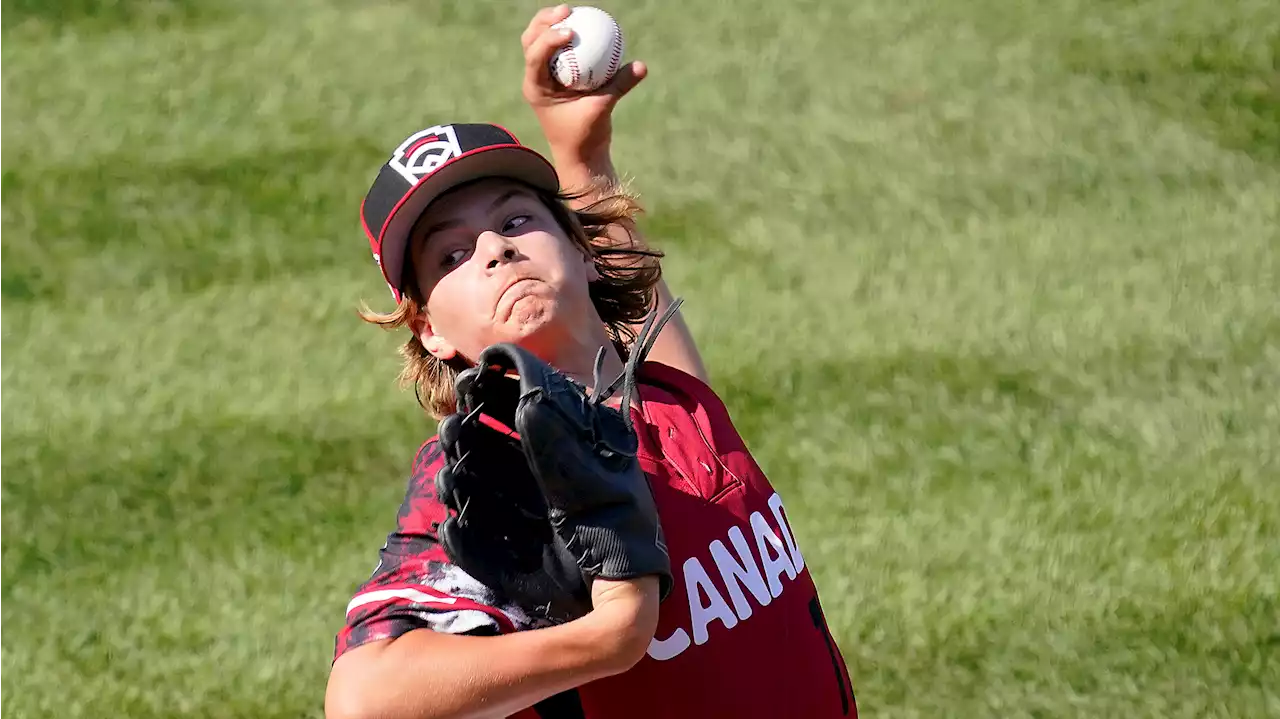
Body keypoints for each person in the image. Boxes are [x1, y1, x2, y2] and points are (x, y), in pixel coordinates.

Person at [325, 6, 856, 719]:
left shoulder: (667, 394)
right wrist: (609, 637)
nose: (495, 249)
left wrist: (582, 157)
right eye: (451, 254)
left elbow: (640, 336)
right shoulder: (495, 464)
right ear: (429, 330)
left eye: (517, 220)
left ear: (578, 245)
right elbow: (364, 700)